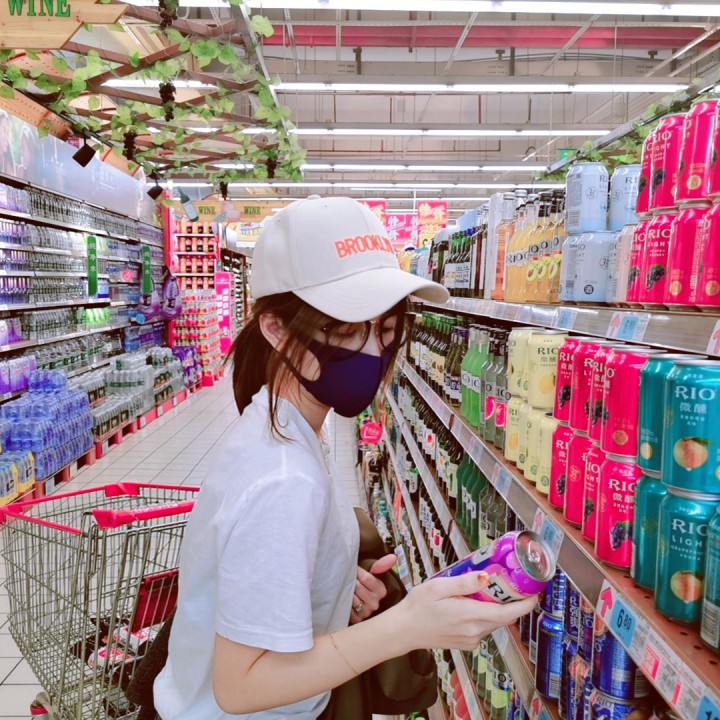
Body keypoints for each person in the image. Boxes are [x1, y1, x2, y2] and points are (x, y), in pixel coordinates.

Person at [153, 196, 537, 719]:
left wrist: (325, 585)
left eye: (385, 329)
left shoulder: (287, 423)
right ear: (276, 329)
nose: (373, 352)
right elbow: (240, 688)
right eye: (348, 329)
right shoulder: (283, 478)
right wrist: (406, 626)